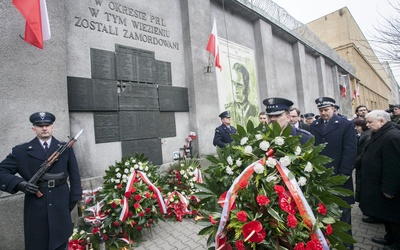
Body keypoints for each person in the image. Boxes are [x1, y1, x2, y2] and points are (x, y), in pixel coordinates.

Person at [0, 112, 82, 250]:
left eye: (47, 125)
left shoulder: (65, 148)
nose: (44, 128)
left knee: (61, 242)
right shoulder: (21, 151)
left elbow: (75, 175)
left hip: (60, 202)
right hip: (36, 204)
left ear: (52, 127)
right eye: (40, 125)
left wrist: (75, 197)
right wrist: (20, 184)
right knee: (37, 241)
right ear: (34, 129)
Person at [309, 97, 357, 249]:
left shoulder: (345, 124)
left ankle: (347, 245)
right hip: (320, 176)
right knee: (323, 211)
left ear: (333, 109)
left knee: (343, 213)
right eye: (321, 110)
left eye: (326, 110)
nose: (323, 113)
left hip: (338, 175)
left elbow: (350, 150)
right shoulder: (315, 125)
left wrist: (343, 173)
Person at [359, 110, 400, 249]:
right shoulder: (381, 133)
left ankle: (397, 243)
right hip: (378, 184)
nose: (367, 125)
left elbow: (394, 166)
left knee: (394, 217)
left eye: (370, 122)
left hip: (389, 188)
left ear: (382, 121)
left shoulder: (392, 136)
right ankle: (389, 238)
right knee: (386, 214)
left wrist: (390, 188)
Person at [225, 62, 258, 127]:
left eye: (239, 86)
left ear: (247, 90)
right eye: (234, 85)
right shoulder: (228, 110)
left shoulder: (255, 111)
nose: (235, 90)